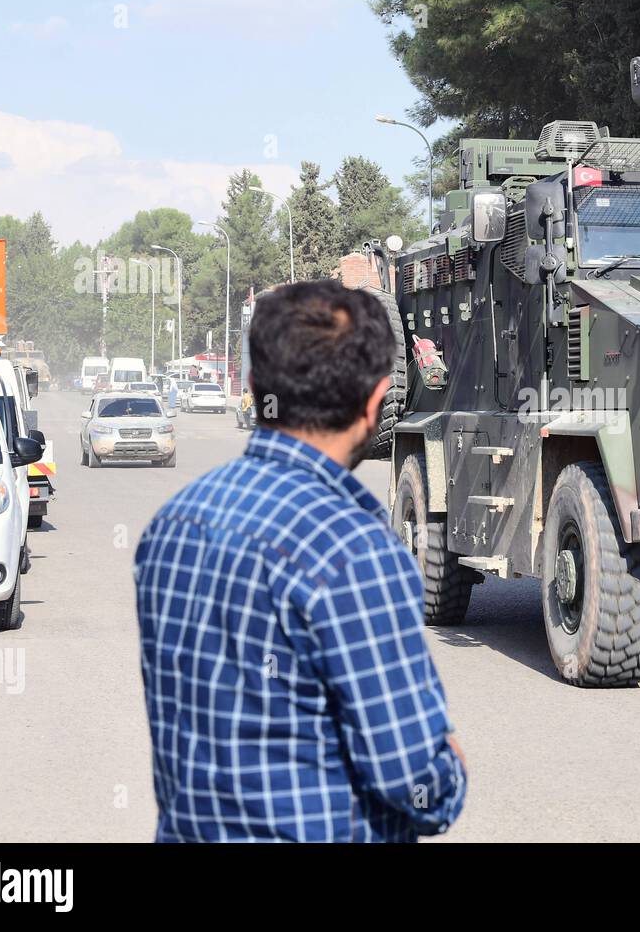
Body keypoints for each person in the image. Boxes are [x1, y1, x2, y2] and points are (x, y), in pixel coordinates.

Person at [133, 280, 466, 842]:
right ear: (374, 400)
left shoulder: (172, 524)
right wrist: (448, 763)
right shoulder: (353, 549)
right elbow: (414, 780)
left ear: (258, 385)